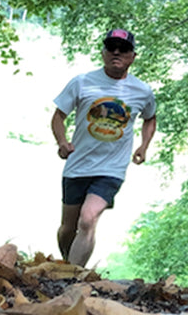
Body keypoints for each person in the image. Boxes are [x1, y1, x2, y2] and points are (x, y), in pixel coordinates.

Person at [51, 28, 157, 266]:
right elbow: (58, 115)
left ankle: (74, 279)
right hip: (78, 164)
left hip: (112, 168)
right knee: (67, 229)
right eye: (111, 48)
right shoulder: (82, 82)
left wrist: (143, 146)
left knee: (87, 219)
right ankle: (68, 265)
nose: (116, 52)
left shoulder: (142, 90)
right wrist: (61, 142)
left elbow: (150, 117)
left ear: (133, 56)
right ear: (103, 53)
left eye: (124, 49)